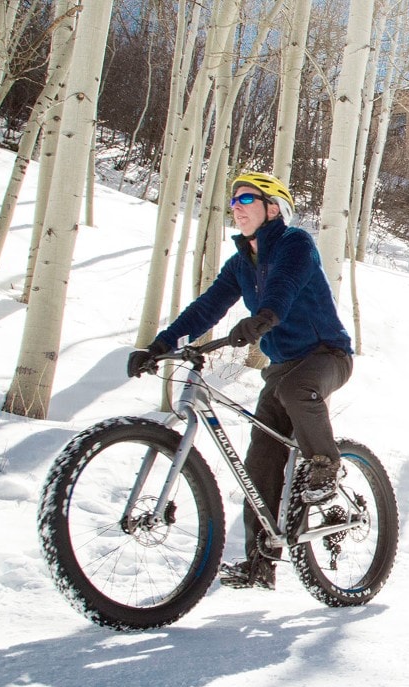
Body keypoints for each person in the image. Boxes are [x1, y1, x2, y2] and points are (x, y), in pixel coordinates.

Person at [127, 171, 354, 591]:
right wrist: (160, 344)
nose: (237, 206)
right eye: (233, 201)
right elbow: (207, 308)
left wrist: (264, 318)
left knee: (295, 391)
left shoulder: (294, 243)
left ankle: (326, 462)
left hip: (327, 355)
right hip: (283, 367)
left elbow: (283, 287)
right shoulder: (240, 265)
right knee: (261, 461)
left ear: (273, 208)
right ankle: (260, 562)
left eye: (246, 198)